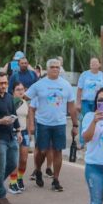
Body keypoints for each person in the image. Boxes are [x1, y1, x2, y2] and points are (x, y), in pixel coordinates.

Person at [27, 58, 75, 190]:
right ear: (47, 69)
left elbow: (71, 106)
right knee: (42, 151)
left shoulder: (66, 85)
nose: (55, 69)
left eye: (57, 67)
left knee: (57, 151)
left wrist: (75, 125)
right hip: (43, 123)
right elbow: (26, 99)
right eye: (52, 67)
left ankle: (56, 179)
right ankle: (38, 170)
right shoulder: (39, 85)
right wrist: (30, 122)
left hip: (60, 123)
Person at [0, 70, 20, 204]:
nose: (3, 85)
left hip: (11, 136)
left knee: (13, 163)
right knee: (0, 168)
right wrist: (1, 121)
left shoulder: (9, 97)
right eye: (0, 83)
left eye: (5, 83)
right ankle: (0, 195)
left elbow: (14, 113)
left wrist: (18, 130)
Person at [73, 57, 103, 162]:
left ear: (99, 64)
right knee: (84, 120)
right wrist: (78, 102)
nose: (93, 64)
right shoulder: (84, 75)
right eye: (91, 62)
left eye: (95, 62)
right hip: (86, 101)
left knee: (101, 119)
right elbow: (79, 90)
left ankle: (99, 139)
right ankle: (82, 142)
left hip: (100, 102)